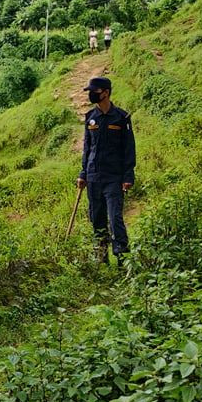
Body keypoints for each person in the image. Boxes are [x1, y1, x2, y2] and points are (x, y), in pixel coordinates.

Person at [76, 77, 135, 265]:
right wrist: (83, 174)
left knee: (115, 217)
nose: (91, 94)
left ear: (106, 92)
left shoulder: (121, 117)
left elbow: (129, 149)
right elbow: (87, 148)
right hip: (93, 177)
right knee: (97, 219)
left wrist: (128, 176)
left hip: (114, 177)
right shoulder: (90, 118)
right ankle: (102, 261)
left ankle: (122, 259)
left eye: (95, 91)